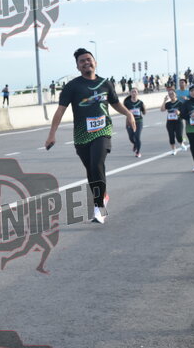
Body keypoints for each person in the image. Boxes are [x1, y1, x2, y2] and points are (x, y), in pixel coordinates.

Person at [45, 48, 136, 224]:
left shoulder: (105, 83)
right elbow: (60, 110)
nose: (86, 62)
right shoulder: (72, 86)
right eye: (82, 61)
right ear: (78, 67)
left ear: (95, 62)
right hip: (81, 135)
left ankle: (99, 207)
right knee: (91, 171)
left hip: (103, 131)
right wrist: (51, 135)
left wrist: (128, 113)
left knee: (97, 164)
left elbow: (115, 103)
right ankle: (102, 196)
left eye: (89, 59)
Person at [161, 89, 186, 155]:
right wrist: (164, 101)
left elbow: (184, 112)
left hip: (178, 122)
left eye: (172, 93)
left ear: (175, 94)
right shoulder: (168, 104)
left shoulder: (180, 103)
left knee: (179, 135)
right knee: (171, 136)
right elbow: (162, 109)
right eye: (169, 94)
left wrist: (179, 112)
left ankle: (181, 143)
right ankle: (174, 149)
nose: (171, 95)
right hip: (170, 122)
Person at [123, 87, 145, 157]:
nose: (134, 93)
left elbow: (144, 113)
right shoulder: (127, 103)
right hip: (130, 122)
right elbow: (124, 112)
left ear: (137, 93)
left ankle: (138, 152)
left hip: (139, 121)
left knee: (137, 136)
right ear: (130, 93)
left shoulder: (140, 103)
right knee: (131, 138)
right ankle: (135, 144)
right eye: (132, 92)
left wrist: (144, 108)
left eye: (135, 91)